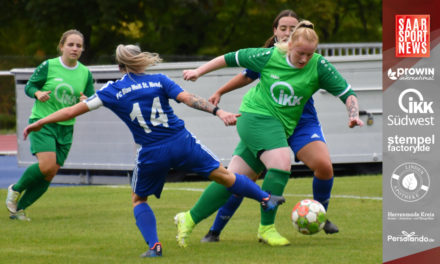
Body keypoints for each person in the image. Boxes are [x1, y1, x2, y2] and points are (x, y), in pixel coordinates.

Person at [22, 44, 285, 257]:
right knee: (224, 176)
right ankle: (264, 198)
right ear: (140, 61)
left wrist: (40, 121)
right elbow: (190, 99)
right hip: (181, 142)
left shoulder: (112, 90)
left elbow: (70, 111)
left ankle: (154, 247)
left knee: (139, 200)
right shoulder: (159, 80)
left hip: (151, 151)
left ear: (119, 66)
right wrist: (219, 111)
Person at [181, 20, 363, 247]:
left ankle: (188, 219)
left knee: (234, 178)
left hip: (285, 125)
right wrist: (199, 71)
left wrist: (353, 114)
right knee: (280, 162)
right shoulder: (269, 55)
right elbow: (230, 58)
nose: (304, 59)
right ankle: (266, 228)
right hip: (255, 116)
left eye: (310, 54)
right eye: (300, 54)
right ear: (289, 46)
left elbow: (348, 93)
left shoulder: (318, 65)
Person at [5, 29, 95, 221]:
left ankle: (18, 209)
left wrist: (85, 99)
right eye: (70, 44)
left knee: (50, 172)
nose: (74, 48)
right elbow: (30, 86)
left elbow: (89, 98)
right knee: (46, 165)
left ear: (82, 50)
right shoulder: (49, 65)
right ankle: (16, 189)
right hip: (42, 122)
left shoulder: (85, 73)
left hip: (66, 127)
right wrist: (38, 94)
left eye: (78, 46)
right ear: (61, 46)